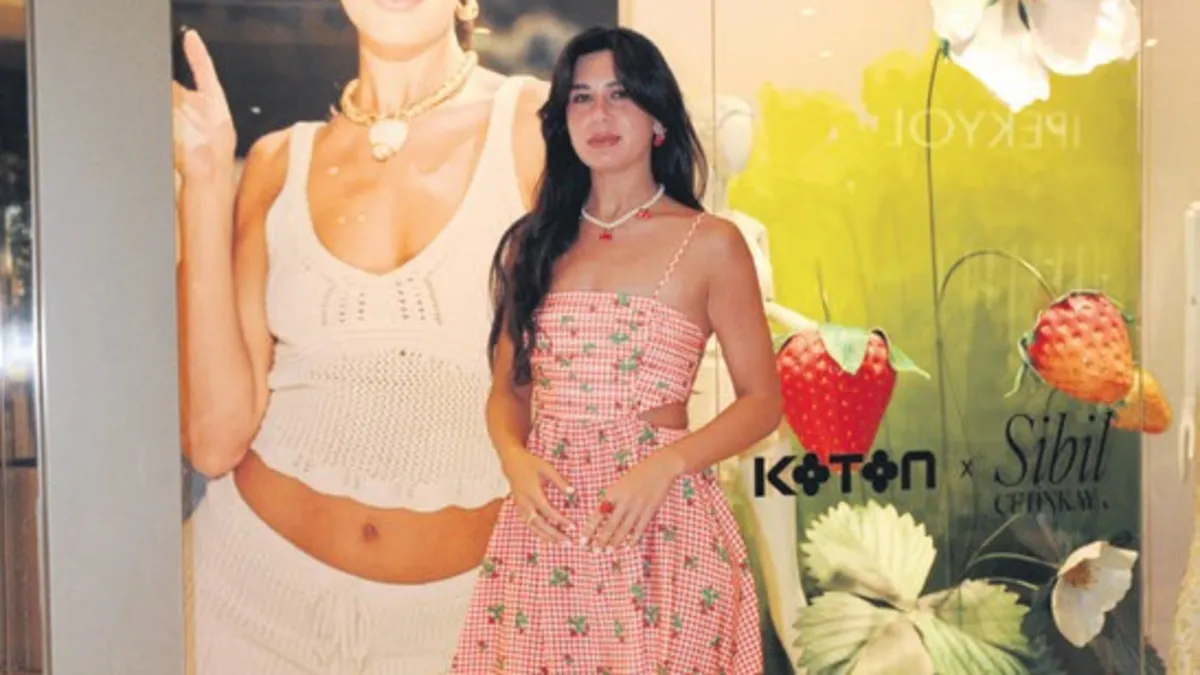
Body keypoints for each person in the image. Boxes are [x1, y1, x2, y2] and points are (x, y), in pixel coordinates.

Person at [171, 0, 547, 671]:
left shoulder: (540, 128)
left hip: (457, 629)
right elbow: (214, 439)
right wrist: (203, 181)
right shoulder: (276, 162)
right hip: (242, 596)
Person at [450, 26, 782, 674]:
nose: (599, 114)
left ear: (657, 118)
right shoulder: (534, 244)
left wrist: (667, 464)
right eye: (581, 98)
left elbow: (762, 402)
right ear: (563, 120)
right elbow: (508, 391)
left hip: (662, 523)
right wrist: (515, 460)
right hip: (548, 529)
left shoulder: (711, 242)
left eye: (620, 94)